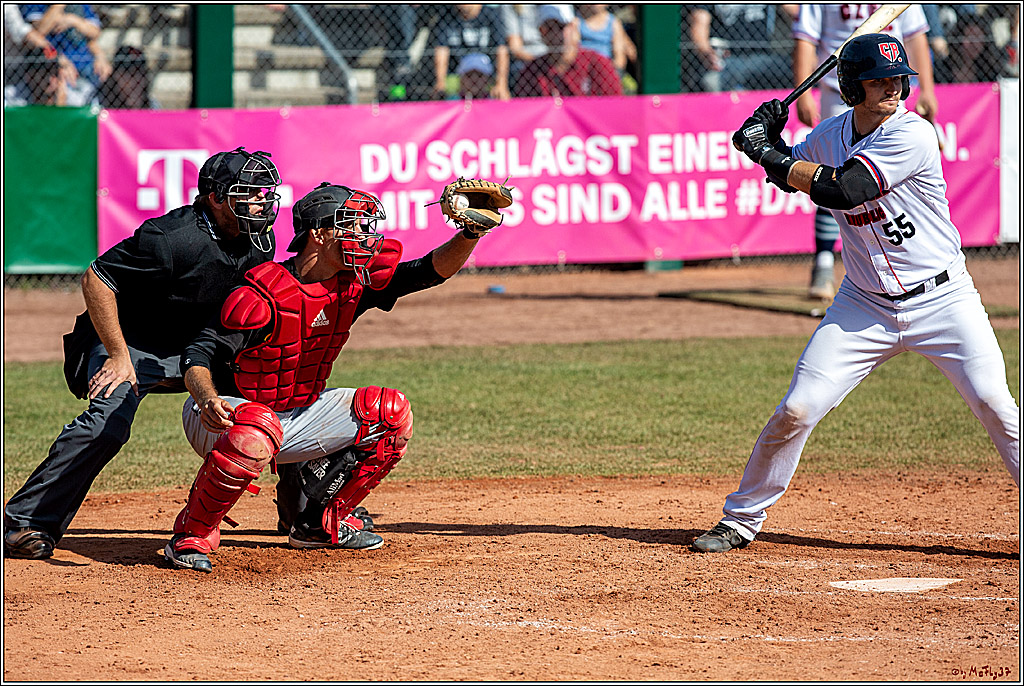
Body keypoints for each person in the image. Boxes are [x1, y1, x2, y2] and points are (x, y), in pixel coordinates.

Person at [692, 33, 1019, 554]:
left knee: (994, 403)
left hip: (944, 300)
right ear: (851, 88)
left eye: (898, 79)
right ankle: (741, 518)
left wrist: (767, 154)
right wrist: (766, 143)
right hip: (864, 304)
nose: (893, 88)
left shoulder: (913, 135)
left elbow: (843, 189)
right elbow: (794, 176)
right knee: (797, 408)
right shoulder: (830, 133)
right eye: (879, 80)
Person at [163, 180, 505, 572]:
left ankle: (320, 523)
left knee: (389, 412)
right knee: (257, 429)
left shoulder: (353, 283)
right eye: (355, 225)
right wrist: (208, 399)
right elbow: (198, 354)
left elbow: (427, 272)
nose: (367, 236)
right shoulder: (263, 293)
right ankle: (192, 535)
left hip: (296, 414)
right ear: (320, 234)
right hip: (223, 418)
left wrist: (470, 233)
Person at [3, 148, 282, 560]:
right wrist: (118, 355)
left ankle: (305, 514)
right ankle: (24, 524)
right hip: (129, 341)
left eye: (265, 193)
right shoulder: (171, 239)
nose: (263, 203)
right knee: (108, 423)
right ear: (216, 197)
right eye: (250, 194)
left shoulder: (258, 240)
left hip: (195, 347)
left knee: (280, 389)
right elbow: (97, 279)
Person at [792, 4, 937, 300]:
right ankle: (823, 260)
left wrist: (929, 89)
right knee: (831, 175)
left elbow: (915, 35)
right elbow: (806, 37)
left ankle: (902, 258)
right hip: (840, 90)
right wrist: (802, 92)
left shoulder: (911, 129)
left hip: (885, 89)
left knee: (860, 184)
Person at [512, 4, 622, 98]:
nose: (556, 35)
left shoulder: (598, 63)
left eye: (561, 27)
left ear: (574, 27)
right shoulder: (532, 71)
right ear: (541, 33)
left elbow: (614, 105)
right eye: (549, 29)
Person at [687, 5, 796, 93]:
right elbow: (699, 26)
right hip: (727, 62)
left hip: (763, 59)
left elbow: (794, 12)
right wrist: (708, 54)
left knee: (798, 71)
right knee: (711, 81)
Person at [21, 4, 112, 107]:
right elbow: (39, 31)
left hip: (85, 67)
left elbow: (95, 32)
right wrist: (58, 6)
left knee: (104, 83)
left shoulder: (81, 5)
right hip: (53, 66)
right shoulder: (36, 5)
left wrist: (72, 20)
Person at [432, 4, 511, 100]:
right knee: (447, 92)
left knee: (498, 93)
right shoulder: (446, 15)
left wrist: (501, 84)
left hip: (486, 70)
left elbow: (501, 50)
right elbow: (441, 49)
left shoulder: (491, 14)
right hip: (457, 74)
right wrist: (441, 82)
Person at [574, 4, 636, 76]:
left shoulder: (614, 22)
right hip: (582, 69)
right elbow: (573, 49)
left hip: (605, 70)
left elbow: (619, 56)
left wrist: (610, 73)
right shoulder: (576, 20)